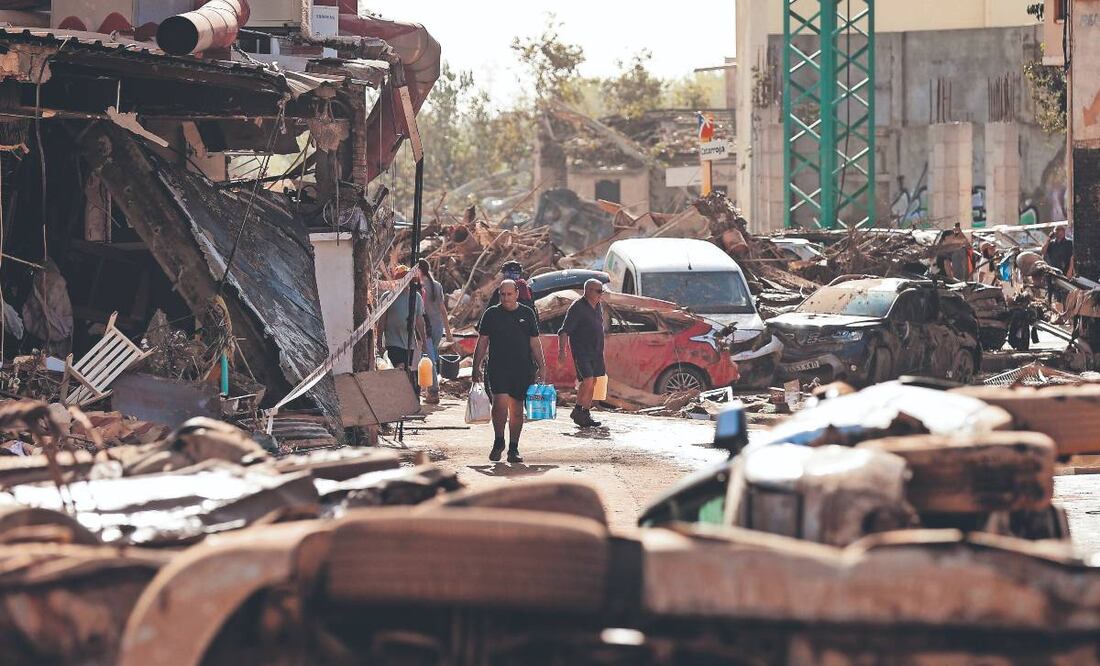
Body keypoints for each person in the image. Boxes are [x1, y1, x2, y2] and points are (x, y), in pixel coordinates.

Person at [472, 279, 546, 463]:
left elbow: (535, 342)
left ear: (516, 294)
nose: (506, 298)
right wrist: (476, 365)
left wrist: (542, 366)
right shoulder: (491, 314)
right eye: (503, 295)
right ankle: (499, 441)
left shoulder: (527, 314)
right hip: (498, 367)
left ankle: (513, 448)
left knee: (517, 410)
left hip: (522, 368)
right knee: (499, 405)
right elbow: (482, 341)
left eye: (509, 294)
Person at [558, 279, 607, 428]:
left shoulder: (598, 306)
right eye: (598, 291)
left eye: (601, 291)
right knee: (587, 379)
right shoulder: (577, 307)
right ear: (588, 291)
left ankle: (584, 413)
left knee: (593, 381)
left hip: (596, 351)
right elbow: (564, 331)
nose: (601, 294)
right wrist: (562, 351)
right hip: (582, 351)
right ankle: (578, 410)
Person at [379, 264, 427, 379]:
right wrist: (378, 342)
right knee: (398, 369)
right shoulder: (388, 296)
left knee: (406, 371)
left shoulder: (416, 297)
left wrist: (424, 341)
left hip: (409, 343)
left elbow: (419, 321)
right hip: (392, 342)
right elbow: (381, 321)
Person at [417, 259, 454, 405]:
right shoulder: (436, 285)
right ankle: (429, 389)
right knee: (431, 356)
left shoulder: (418, 285)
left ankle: (433, 391)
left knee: (428, 357)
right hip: (438, 326)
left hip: (426, 327)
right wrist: (448, 332)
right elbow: (443, 311)